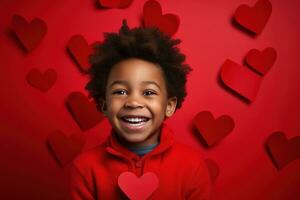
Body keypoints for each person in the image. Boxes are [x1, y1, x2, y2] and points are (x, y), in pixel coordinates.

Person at [70, 20, 212, 200]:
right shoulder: (85, 168)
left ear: (169, 106)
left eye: (149, 92)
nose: (134, 102)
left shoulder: (192, 166)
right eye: (120, 91)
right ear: (104, 105)